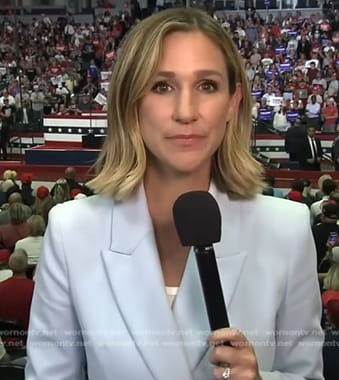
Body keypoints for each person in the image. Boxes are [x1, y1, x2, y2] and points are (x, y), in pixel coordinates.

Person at [26, 8, 324, 380]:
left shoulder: (289, 230)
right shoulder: (72, 231)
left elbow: (307, 373)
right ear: (130, 102)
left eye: (207, 86)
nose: (186, 112)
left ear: (233, 103)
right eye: (162, 86)